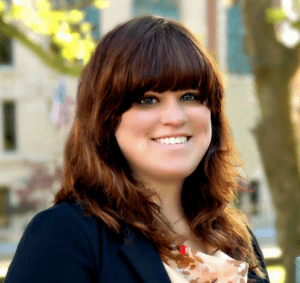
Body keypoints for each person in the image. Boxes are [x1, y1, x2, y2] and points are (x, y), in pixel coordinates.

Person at [5, 16, 270, 283]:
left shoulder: (236, 237)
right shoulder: (62, 235)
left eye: (189, 96)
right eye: (148, 100)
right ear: (105, 119)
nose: (175, 117)